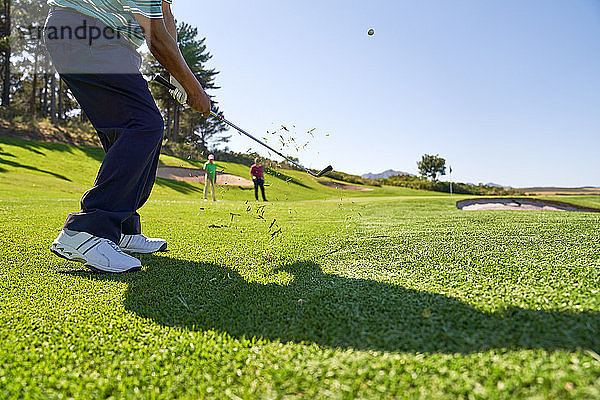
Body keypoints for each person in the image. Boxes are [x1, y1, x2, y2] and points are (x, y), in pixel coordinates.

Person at [44, 0, 211, 273]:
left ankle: (121, 228)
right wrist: (194, 90)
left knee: (131, 131)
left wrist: (180, 76)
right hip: (86, 30)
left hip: (100, 39)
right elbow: (156, 37)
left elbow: (164, 14)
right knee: (144, 124)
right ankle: (87, 231)